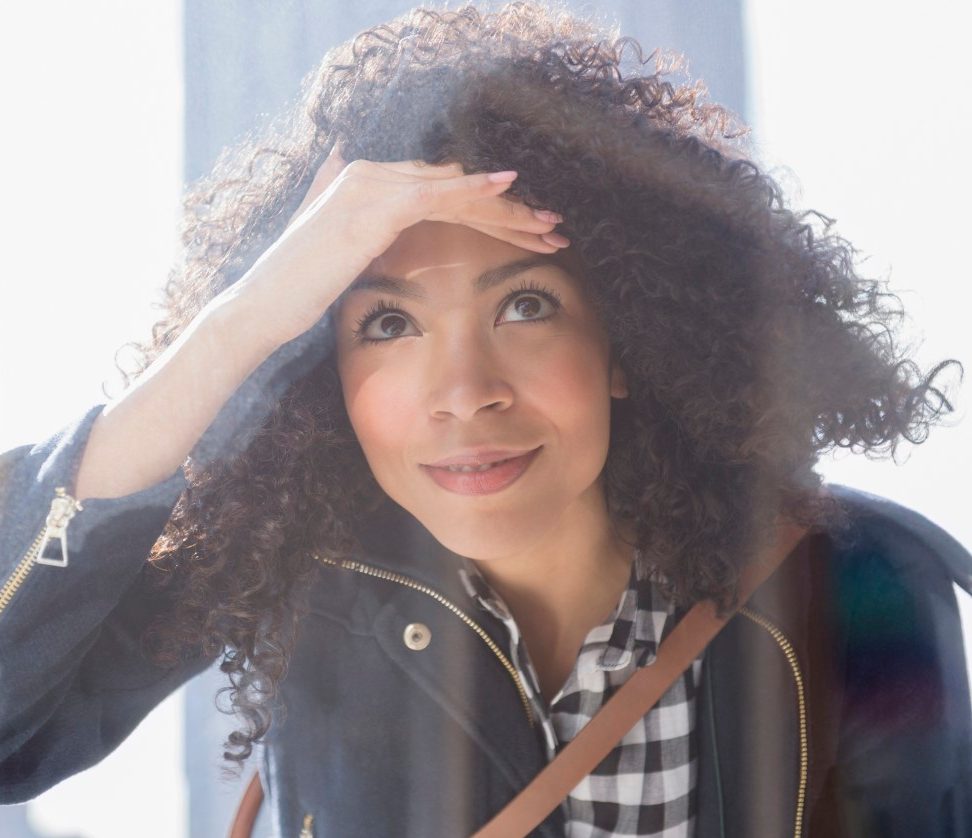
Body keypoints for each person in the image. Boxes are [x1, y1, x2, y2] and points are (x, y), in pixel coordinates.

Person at [1, 2, 970, 836]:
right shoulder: (295, 573)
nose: (463, 390)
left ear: (626, 341)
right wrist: (243, 323)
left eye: (525, 305)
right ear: (323, 372)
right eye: (387, 323)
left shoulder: (854, 592)